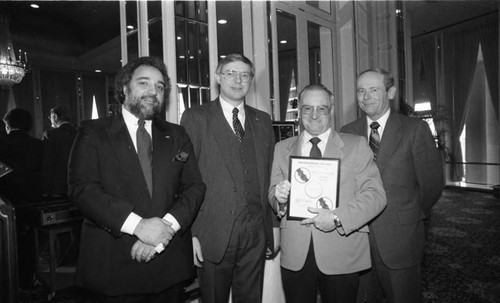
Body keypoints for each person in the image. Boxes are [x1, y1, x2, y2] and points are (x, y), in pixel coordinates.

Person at [68, 56, 206, 302]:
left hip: (169, 267)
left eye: (160, 86)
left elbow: (194, 187)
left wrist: (165, 229)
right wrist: (139, 226)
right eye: (144, 83)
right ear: (124, 88)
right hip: (114, 269)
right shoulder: (93, 132)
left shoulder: (177, 135)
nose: (153, 91)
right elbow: (83, 189)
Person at [268, 84, 387, 303]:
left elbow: (376, 196)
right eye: (307, 108)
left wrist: (336, 217)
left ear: (331, 110)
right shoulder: (281, 148)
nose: (314, 115)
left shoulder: (356, 145)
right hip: (296, 252)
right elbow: (273, 193)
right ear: (299, 111)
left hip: (341, 250)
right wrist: (279, 198)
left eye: (321, 109)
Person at [341, 69, 444, 303]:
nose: (366, 97)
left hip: (401, 238)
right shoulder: (347, 132)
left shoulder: (414, 129)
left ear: (391, 92)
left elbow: (432, 185)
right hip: (358, 239)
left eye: (374, 90)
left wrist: (410, 216)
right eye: (361, 91)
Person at [180, 53, 276, 303]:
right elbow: (184, 179)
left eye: (244, 75)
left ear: (251, 80)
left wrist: (270, 228)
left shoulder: (263, 120)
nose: (238, 80)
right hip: (212, 233)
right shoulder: (196, 118)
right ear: (218, 77)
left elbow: (269, 175)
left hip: (255, 231)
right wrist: (189, 234)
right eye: (231, 73)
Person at [0, 108, 43, 203]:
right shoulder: (38, 144)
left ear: (7, 125)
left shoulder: (2, 144)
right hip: (33, 196)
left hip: (6, 198)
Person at [42, 106, 77, 197]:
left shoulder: (50, 134)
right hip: (78, 183)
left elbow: (48, 161)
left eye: (50, 117)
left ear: (55, 117)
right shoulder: (79, 132)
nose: (50, 120)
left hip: (58, 184)